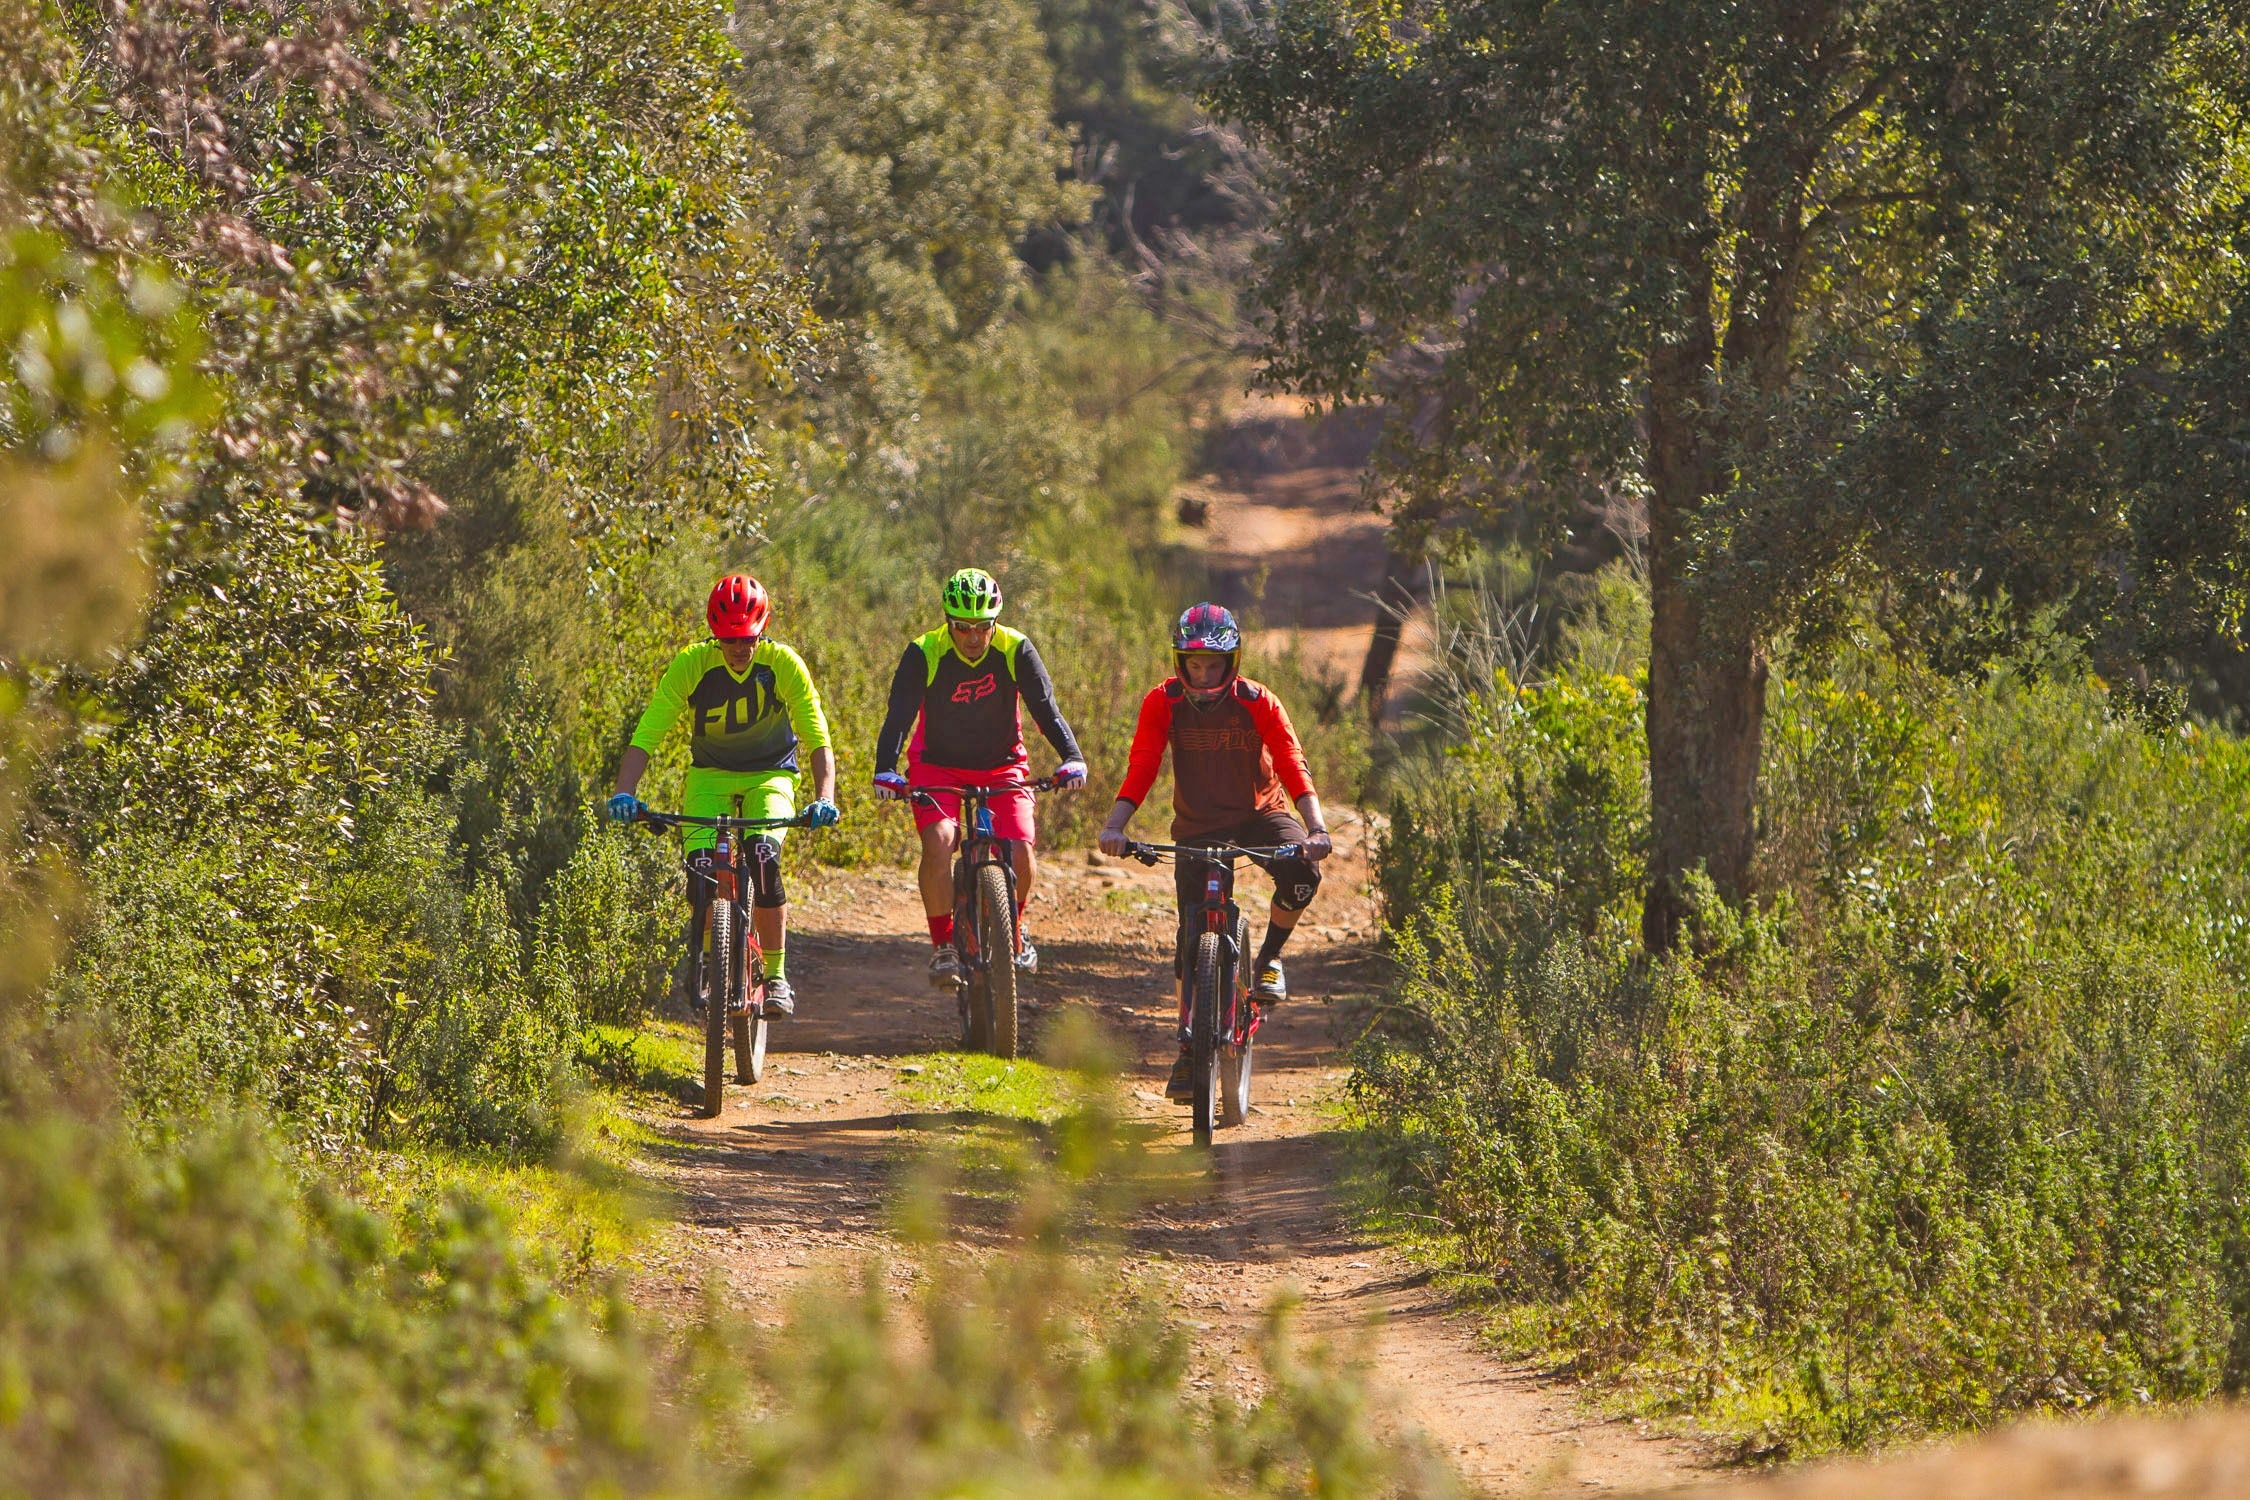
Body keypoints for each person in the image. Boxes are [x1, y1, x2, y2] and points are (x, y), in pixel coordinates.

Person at [1097, 603, 1332, 1099]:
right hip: (1199, 827)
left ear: (1233, 662)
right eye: (1194, 664)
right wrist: (1116, 826)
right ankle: (1188, 1053)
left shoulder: (1258, 701)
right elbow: (1143, 764)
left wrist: (1316, 827)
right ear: (1180, 662)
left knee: (1302, 876)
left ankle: (1267, 959)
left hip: (1258, 814)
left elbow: (1292, 762)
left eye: (1214, 664)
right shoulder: (1162, 702)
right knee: (1191, 938)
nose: (1203, 675)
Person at [607, 574, 838, 1017]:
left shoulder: (782, 664)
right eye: (729, 639)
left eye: (748, 638)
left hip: (770, 775)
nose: (739, 648)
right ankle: (716, 956)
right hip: (709, 775)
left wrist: (824, 796)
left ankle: (775, 977)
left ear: (763, 629)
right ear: (715, 634)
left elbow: (816, 735)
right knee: (700, 875)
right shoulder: (692, 664)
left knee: (765, 860)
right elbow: (649, 732)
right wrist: (624, 792)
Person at [870, 567, 1088, 986]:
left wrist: (1072, 757)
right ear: (948, 622)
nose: (973, 637)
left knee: (1021, 849)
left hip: (1003, 763)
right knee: (940, 841)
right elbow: (899, 715)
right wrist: (886, 768)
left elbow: (1046, 708)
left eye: (982, 627)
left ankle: (1016, 925)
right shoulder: (924, 652)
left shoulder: (1015, 648)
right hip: (937, 764)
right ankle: (944, 945)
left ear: (995, 622)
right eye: (963, 627)